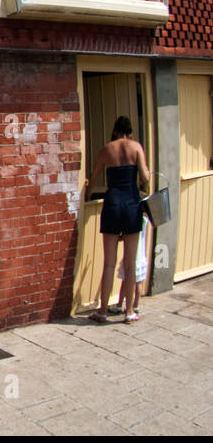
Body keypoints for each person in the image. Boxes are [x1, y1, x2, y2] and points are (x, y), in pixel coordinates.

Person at [87, 116, 149, 323]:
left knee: (109, 263)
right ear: (129, 132)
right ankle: (129, 311)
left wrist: (87, 196)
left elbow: (94, 176)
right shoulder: (136, 147)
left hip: (113, 202)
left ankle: (103, 310)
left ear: (115, 131)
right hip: (132, 202)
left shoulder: (107, 149)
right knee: (130, 263)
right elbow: (146, 177)